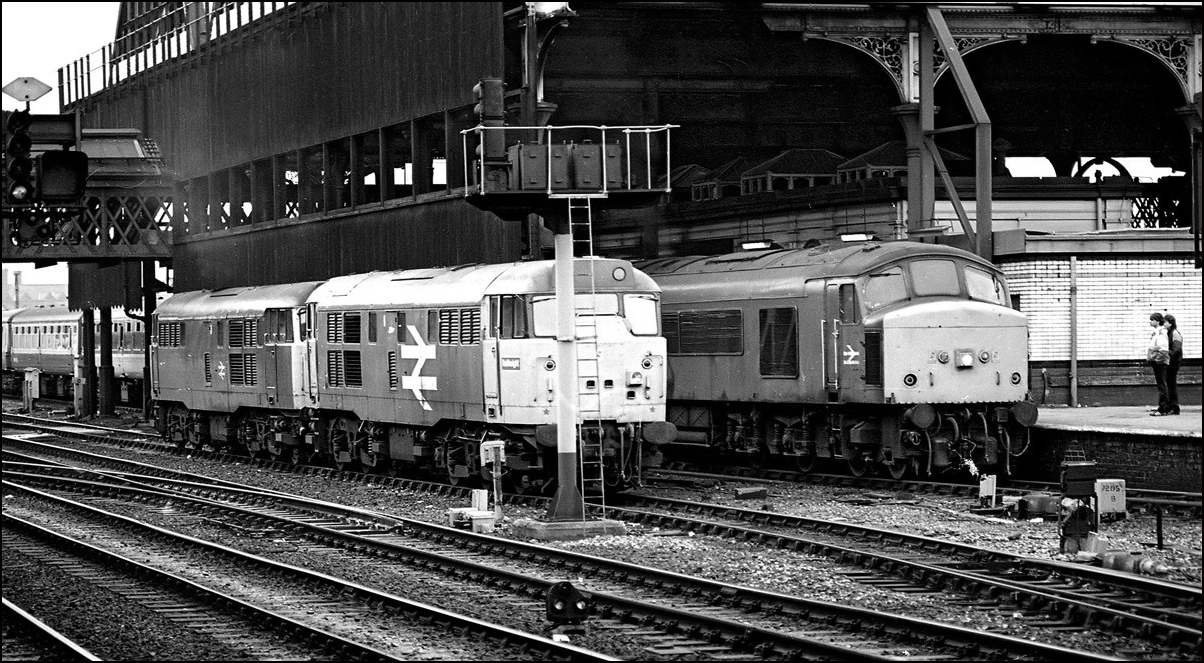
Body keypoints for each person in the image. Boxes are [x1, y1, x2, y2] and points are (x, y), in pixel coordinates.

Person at [1147, 312, 1171, 415]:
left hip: (1159, 362)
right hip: (1157, 361)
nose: (1151, 322)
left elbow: (1163, 348)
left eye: (1152, 320)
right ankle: (1165, 407)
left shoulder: (1161, 332)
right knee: (1162, 384)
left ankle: (1163, 409)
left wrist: (1157, 360)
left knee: (1162, 385)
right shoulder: (1157, 331)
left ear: (1157, 321)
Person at [1163, 314, 1183, 416]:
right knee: (1169, 383)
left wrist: (1167, 354)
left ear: (1170, 323)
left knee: (1171, 384)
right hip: (1171, 361)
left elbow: (1177, 349)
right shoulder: (1170, 333)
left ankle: (1174, 407)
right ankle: (1171, 406)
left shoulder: (1175, 333)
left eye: (1165, 322)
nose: (1164, 324)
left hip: (1173, 362)